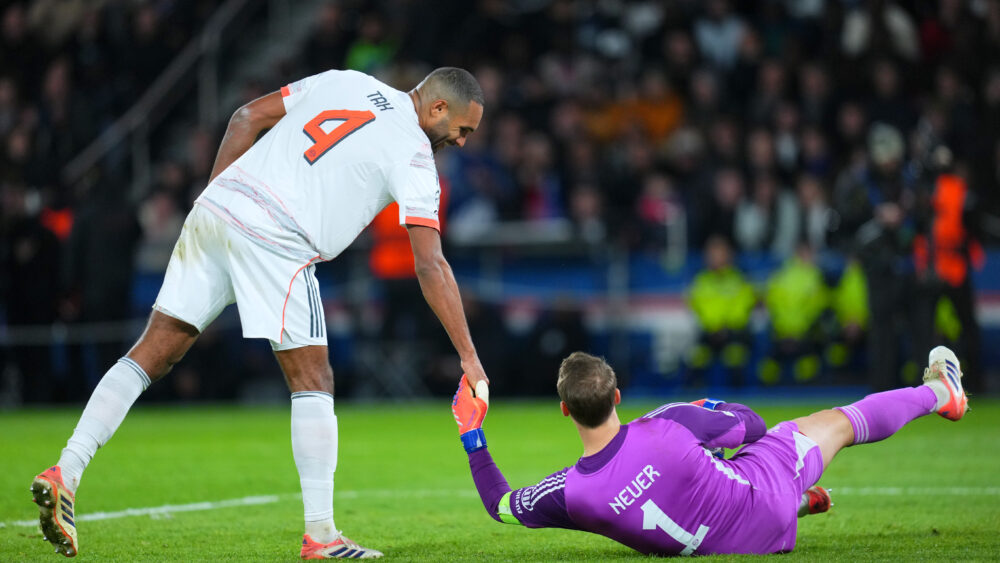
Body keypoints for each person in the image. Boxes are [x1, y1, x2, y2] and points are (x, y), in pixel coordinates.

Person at [31, 66, 489, 560]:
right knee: (314, 378)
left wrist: (215, 202)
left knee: (152, 351)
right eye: (462, 130)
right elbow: (430, 265)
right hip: (279, 237)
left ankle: (66, 470)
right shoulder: (415, 154)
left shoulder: (348, 80)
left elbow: (245, 117)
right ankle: (322, 535)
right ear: (438, 108)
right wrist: (469, 356)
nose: (461, 143)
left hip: (220, 204)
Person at [451, 347, 968, 556]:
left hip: (722, 542)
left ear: (565, 411)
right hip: (761, 503)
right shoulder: (667, 423)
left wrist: (472, 433)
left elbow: (500, 505)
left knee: (704, 480)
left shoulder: (574, 493)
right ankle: (943, 394)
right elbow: (752, 424)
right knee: (832, 424)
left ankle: (802, 501)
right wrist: (709, 404)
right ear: (617, 397)